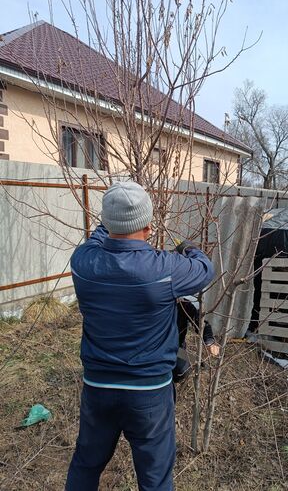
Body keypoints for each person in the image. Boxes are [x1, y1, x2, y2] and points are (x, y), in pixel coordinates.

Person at [65, 181, 214, 491]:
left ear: (107, 222)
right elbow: (205, 268)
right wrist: (187, 246)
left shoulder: (83, 262)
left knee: (86, 464)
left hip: (99, 389)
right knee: (155, 479)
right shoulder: (165, 268)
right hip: (149, 393)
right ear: (148, 226)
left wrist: (112, 222)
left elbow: (100, 235)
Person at [173, 298, 220, 383]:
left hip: (177, 349)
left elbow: (200, 322)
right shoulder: (151, 303)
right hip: (154, 348)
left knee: (182, 369)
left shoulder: (183, 304)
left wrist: (209, 341)